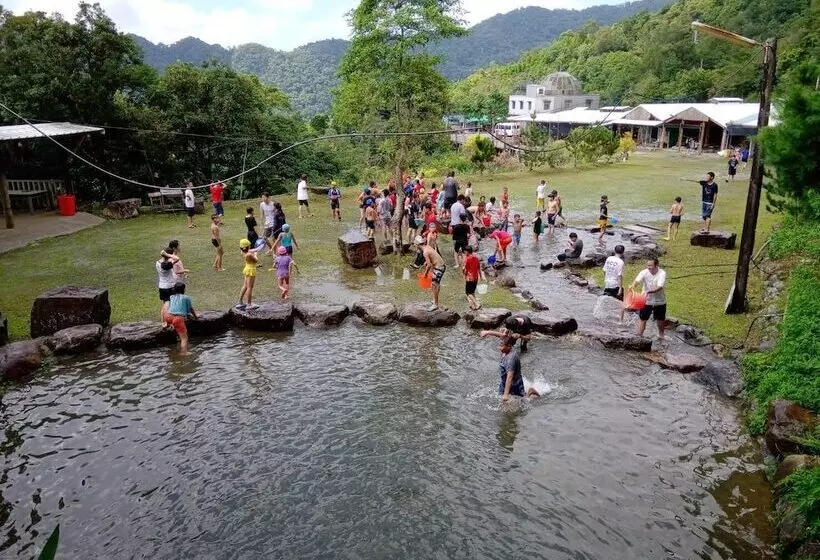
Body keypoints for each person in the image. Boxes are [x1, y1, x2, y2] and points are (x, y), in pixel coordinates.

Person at [629, 258, 667, 339]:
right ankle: (639, 336)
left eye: (651, 265)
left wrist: (649, 292)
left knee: (660, 319)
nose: (648, 267)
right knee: (643, 318)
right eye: (648, 265)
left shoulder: (662, 273)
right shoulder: (644, 272)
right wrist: (633, 285)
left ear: (656, 265)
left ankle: (661, 336)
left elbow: (660, 287)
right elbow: (637, 280)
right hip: (646, 300)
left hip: (659, 300)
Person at [162, 282, 198, 354]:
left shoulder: (171, 297)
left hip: (168, 316)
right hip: (177, 319)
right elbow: (190, 309)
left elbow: (171, 307)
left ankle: (168, 324)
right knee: (184, 338)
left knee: (172, 318)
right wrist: (195, 317)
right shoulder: (186, 298)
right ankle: (184, 352)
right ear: (183, 289)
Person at [419, 235, 446, 311]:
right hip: (441, 265)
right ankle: (435, 300)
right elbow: (432, 255)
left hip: (439, 268)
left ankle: (435, 304)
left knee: (434, 285)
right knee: (435, 284)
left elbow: (429, 265)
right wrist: (426, 262)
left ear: (418, 245)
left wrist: (425, 274)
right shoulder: (428, 247)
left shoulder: (425, 252)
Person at [237, 239, 259, 310]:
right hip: (251, 270)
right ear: (248, 247)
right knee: (250, 287)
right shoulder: (249, 255)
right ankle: (249, 304)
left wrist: (256, 249)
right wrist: (255, 254)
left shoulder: (243, 252)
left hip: (247, 269)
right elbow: (256, 260)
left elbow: (250, 250)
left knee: (245, 286)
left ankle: (240, 302)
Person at [156, 249, 177, 321]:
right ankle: (168, 320)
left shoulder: (158, 262)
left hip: (162, 286)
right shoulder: (167, 265)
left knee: (165, 304)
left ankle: (163, 320)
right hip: (169, 286)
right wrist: (168, 254)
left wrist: (165, 254)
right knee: (169, 304)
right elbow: (177, 259)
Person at [462, 245, 483, 310]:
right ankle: (472, 305)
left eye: (465, 252)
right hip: (476, 277)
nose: (464, 253)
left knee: (468, 293)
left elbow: (465, 270)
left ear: (467, 252)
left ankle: (477, 304)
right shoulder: (476, 258)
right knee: (472, 292)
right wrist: (481, 277)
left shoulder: (468, 259)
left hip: (470, 278)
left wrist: (464, 274)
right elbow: (479, 268)